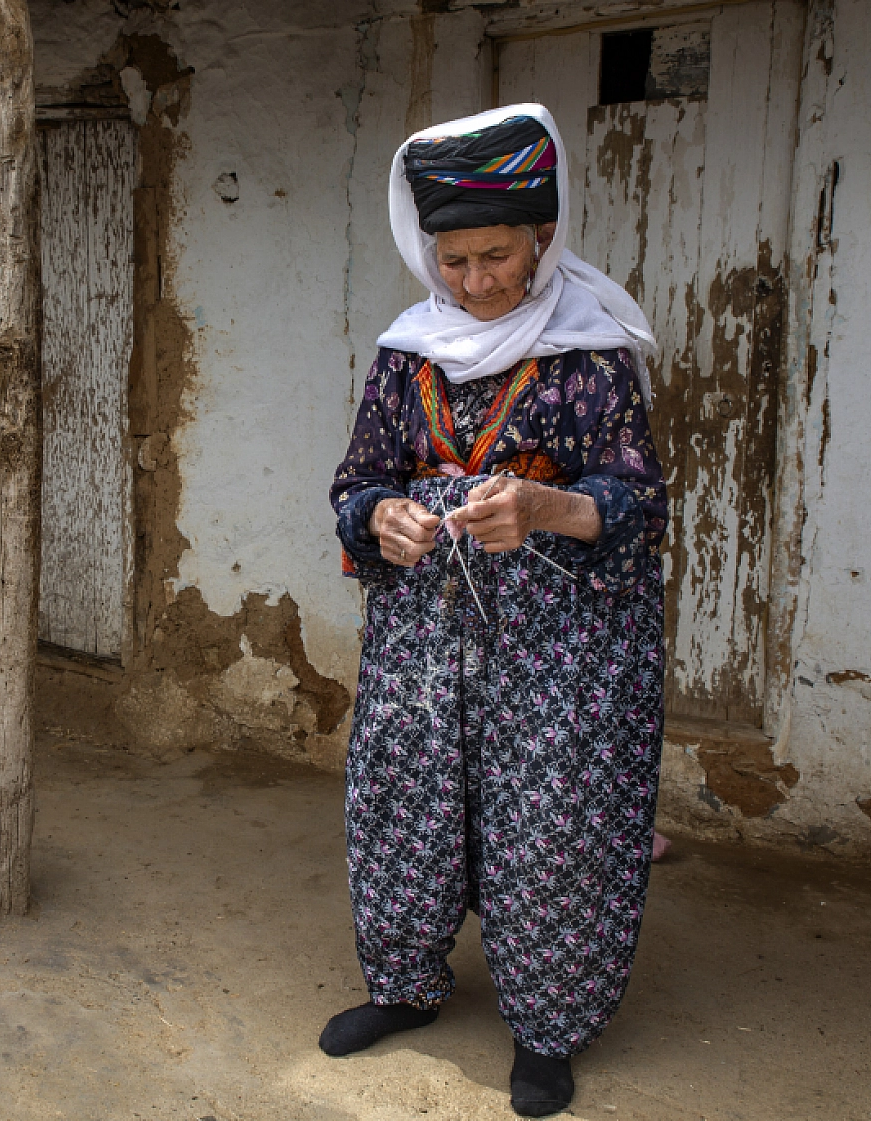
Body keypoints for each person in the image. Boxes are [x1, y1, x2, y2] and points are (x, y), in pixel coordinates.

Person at [322, 105, 668, 1117]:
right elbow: (355, 481)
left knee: (550, 826)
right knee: (402, 805)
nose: (473, 281)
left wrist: (544, 507)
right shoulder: (407, 354)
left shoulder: (592, 354)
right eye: (454, 259)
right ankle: (403, 985)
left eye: (496, 256)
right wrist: (377, 514)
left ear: (542, 239)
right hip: (423, 639)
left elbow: (637, 503)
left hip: (560, 649)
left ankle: (547, 1028)